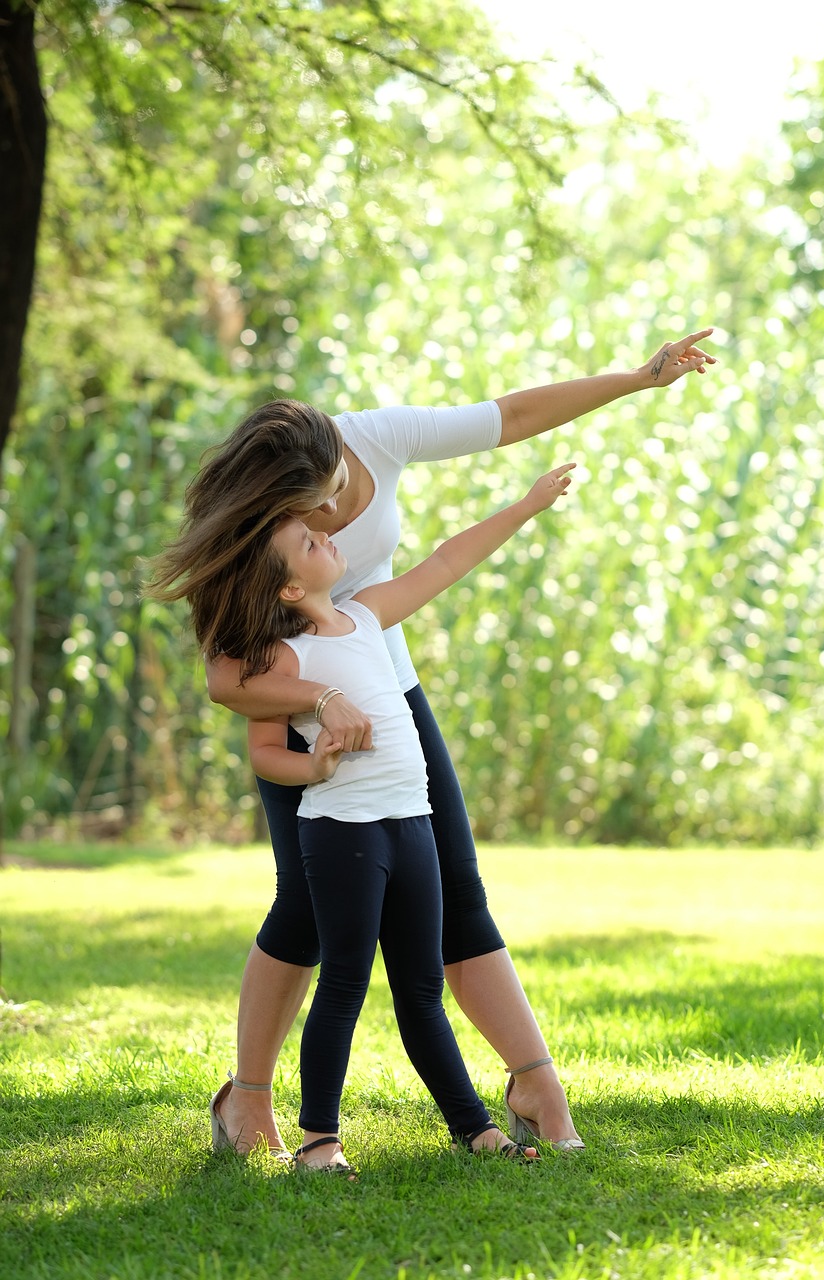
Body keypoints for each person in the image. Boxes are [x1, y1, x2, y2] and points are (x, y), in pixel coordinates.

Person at [150, 328, 715, 1158]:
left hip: (390, 695)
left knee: (456, 889)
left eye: (335, 497)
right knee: (305, 912)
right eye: (308, 520)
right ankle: (251, 1102)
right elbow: (225, 679)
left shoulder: (377, 435)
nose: (330, 522)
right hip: (300, 709)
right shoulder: (249, 526)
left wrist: (639, 378)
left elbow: (512, 414)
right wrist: (320, 696)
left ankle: (534, 1082)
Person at [237, 463, 575, 1169]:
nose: (326, 537)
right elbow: (266, 750)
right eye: (307, 542)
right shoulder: (282, 657)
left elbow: (447, 559)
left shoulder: (366, 615)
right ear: (290, 589)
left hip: (411, 822)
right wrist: (315, 767)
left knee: (422, 988)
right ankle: (318, 1142)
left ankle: (476, 1129)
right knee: (345, 984)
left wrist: (525, 502)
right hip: (342, 834)